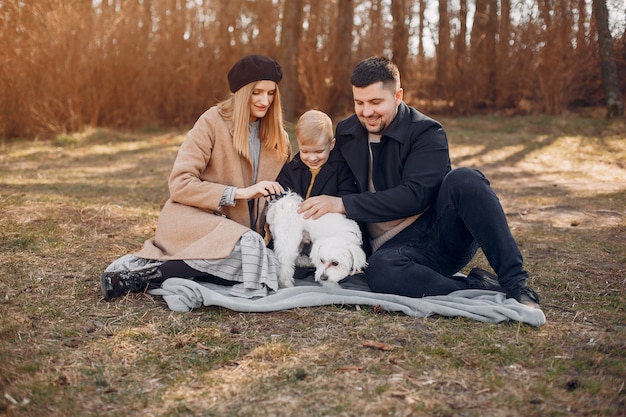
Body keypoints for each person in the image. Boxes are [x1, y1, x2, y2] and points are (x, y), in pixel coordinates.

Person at [297, 56, 540, 308]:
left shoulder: (426, 133)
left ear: (398, 95)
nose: (366, 112)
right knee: (380, 272)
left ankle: (515, 284)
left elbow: (414, 196)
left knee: (466, 179)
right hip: (387, 253)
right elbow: (332, 179)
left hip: (437, 237)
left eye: (376, 102)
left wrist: (343, 203)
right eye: (359, 102)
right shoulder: (346, 133)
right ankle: (476, 286)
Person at [100, 54, 291, 301]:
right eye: (257, 92)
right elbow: (180, 183)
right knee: (250, 249)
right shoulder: (212, 122)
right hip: (196, 221)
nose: (265, 100)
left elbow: (283, 195)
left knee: (266, 264)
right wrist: (239, 193)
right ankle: (145, 277)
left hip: (240, 235)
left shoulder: (280, 139)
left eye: (271, 93)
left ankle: (182, 273)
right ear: (243, 93)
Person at [277, 109, 357, 199]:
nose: (312, 158)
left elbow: (347, 195)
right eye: (305, 151)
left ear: (331, 144)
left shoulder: (341, 169)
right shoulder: (290, 171)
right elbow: (283, 197)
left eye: (319, 151)